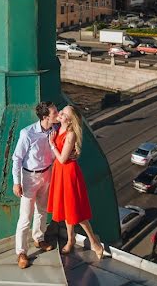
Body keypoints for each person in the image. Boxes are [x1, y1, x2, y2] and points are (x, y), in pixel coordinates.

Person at [47, 105, 105, 261]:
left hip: (68, 173)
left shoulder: (70, 134)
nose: (60, 113)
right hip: (61, 172)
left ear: (69, 119)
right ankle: (71, 239)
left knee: (76, 212)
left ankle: (94, 242)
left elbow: (63, 159)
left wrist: (52, 144)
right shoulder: (59, 128)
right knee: (67, 209)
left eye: (63, 113)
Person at [12, 101, 58, 269]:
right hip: (29, 177)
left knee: (42, 210)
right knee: (25, 217)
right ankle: (21, 252)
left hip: (47, 173)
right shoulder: (27, 134)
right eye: (55, 113)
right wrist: (16, 182)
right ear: (46, 117)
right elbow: (16, 158)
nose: (58, 114)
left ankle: (39, 239)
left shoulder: (54, 129)